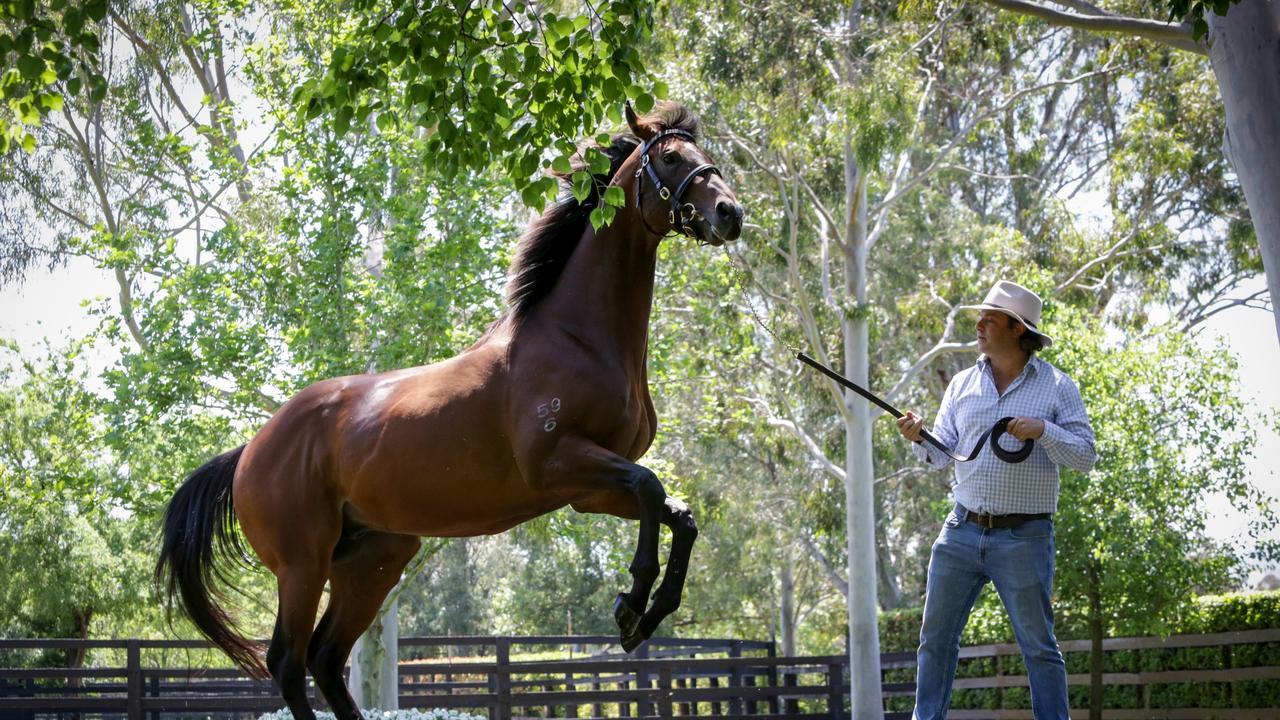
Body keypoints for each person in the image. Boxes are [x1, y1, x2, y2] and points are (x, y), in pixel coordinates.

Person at [897, 280, 1097, 720]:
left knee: (1039, 647)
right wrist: (919, 437)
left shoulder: (1058, 387)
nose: (979, 324)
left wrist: (1043, 430)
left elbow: (1085, 455)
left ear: (1017, 329)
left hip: (1026, 538)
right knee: (934, 640)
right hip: (960, 532)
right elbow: (939, 453)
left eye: (990, 318)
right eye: (980, 316)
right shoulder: (964, 384)